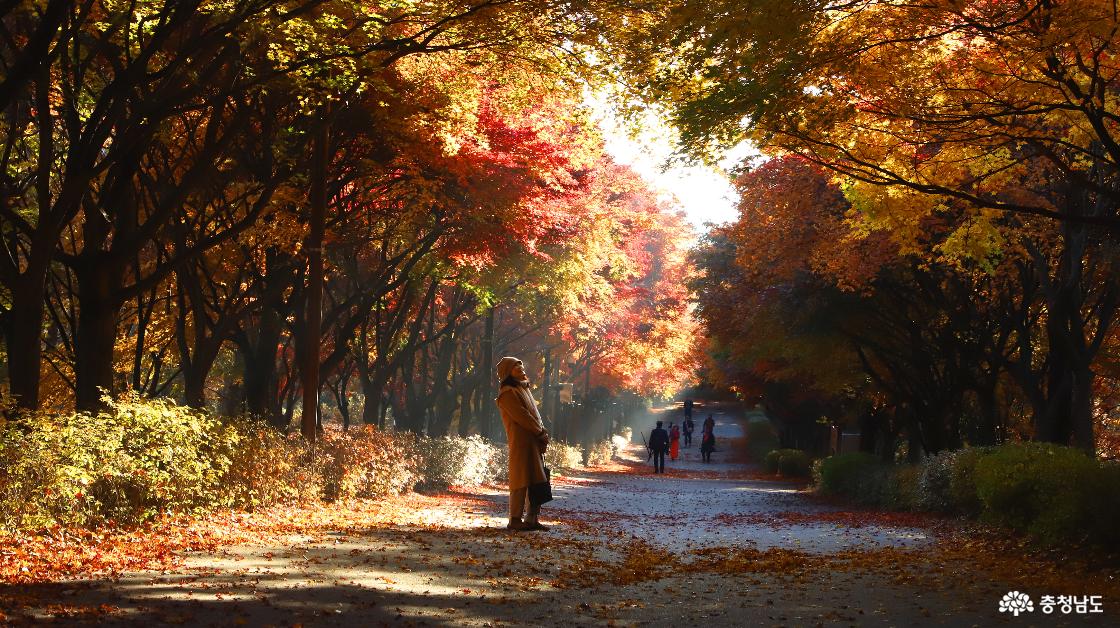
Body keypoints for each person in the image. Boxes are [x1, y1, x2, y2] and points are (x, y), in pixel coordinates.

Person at [495, 356, 551, 531]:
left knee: (538, 481)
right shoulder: (507, 394)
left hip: (533, 441)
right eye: (517, 369)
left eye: (522, 368)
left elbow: (534, 416)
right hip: (521, 442)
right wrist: (540, 432)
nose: (522, 371)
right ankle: (515, 519)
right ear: (507, 373)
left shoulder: (523, 389)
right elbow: (523, 417)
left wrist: (541, 433)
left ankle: (532, 518)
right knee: (520, 481)